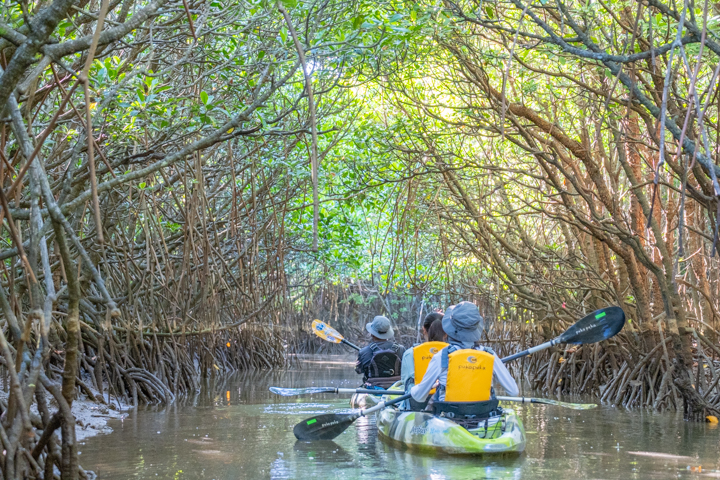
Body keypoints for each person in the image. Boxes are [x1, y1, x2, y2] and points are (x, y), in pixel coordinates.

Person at [410, 301, 518, 416]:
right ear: (476, 328)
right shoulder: (490, 355)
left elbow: (419, 397)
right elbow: (513, 391)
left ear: (450, 328)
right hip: (483, 418)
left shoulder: (442, 356)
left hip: (449, 420)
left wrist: (412, 388)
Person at [355, 315, 405, 388]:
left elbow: (359, 371)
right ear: (388, 332)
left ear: (372, 334)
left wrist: (358, 363)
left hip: (372, 388)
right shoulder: (401, 349)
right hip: (397, 389)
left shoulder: (363, 352)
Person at [401, 312, 445, 388]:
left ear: (424, 329)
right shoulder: (455, 353)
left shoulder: (410, 353)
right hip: (446, 398)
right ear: (446, 332)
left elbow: (406, 383)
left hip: (418, 398)